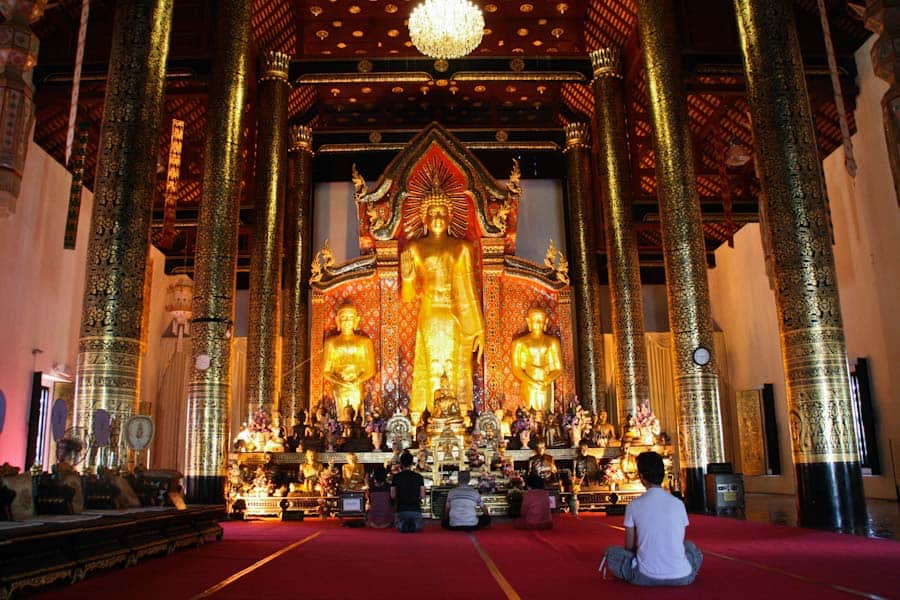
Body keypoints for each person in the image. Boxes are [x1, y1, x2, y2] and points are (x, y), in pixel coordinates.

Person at [401, 182, 485, 416]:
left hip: (455, 315)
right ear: (423, 218)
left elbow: (469, 289)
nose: (437, 217)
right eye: (432, 213)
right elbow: (407, 298)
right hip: (430, 314)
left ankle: (461, 413)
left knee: (458, 364)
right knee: (433, 364)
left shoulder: (462, 247)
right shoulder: (415, 248)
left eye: (441, 212)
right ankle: (431, 413)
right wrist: (408, 278)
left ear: (449, 216)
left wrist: (479, 327)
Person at [601, 451, 703, 586]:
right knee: (689, 546)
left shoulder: (633, 505)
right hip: (683, 577)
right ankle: (677, 568)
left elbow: (629, 547)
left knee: (611, 552)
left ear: (641, 477)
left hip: (643, 577)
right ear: (663, 474)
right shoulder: (678, 504)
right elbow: (676, 540)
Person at [322, 303, 376, 416]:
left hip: (356, 385)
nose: (347, 321)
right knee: (341, 416)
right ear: (337, 320)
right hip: (339, 385)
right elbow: (325, 371)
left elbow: (371, 370)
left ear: (356, 320)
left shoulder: (364, 342)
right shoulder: (331, 343)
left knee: (355, 417)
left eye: (350, 318)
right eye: (343, 318)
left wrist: (355, 381)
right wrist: (340, 381)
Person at [510, 307, 564, 412]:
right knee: (530, 413)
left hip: (546, 383)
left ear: (546, 321)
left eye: (540, 320)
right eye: (534, 320)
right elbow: (516, 368)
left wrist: (547, 380)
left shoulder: (553, 342)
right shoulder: (519, 343)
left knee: (546, 413)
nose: (538, 323)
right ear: (528, 321)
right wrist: (532, 382)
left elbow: (559, 368)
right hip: (529, 382)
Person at [391, 449, 425, 532]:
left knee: (398, 524)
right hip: (415, 509)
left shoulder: (396, 477)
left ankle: (403, 525)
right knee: (419, 525)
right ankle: (414, 526)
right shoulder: (419, 477)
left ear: (401, 463)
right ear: (412, 463)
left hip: (401, 509)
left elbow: (392, 495)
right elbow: (423, 495)